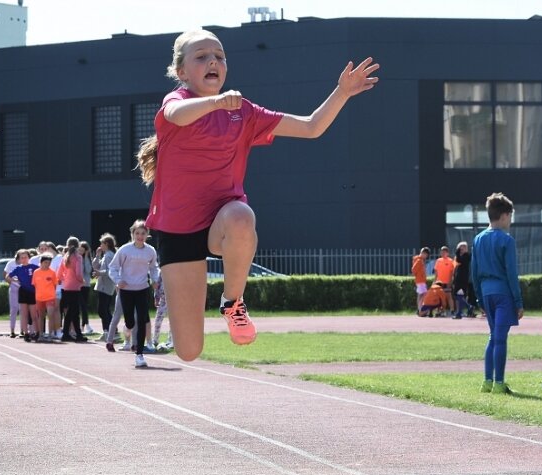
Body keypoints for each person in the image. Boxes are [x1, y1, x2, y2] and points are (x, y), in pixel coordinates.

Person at [136, 29, 379, 361]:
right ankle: (174, 293)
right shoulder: (177, 101)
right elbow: (176, 116)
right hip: (177, 228)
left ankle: (232, 302)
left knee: (241, 216)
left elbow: (310, 126)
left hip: (220, 220)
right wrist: (217, 102)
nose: (213, 61)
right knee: (189, 351)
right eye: (202, 56)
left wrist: (342, 92)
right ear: (181, 72)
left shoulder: (243, 112)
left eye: (219, 56)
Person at [471, 193, 524, 394]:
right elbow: (511, 273)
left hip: (486, 293)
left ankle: (487, 381)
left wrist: (478, 297)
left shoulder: (478, 239)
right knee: (501, 338)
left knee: (493, 337)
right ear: (503, 216)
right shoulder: (507, 240)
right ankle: (499, 383)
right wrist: (518, 301)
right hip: (502, 294)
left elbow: (474, 272)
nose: (510, 221)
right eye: (510, 216)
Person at [107, 220, 159, 368]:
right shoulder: (124, 250)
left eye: (143, 233)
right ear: (132, 234)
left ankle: (139, 354)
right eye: (137, 233)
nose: (140, 236)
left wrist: (155, 280)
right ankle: (127, 329)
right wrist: (118, 280)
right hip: (126, 290)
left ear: (147, 235)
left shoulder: (150, 251)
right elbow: (113, 268)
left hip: (142, 289)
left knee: (141, 320)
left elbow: (154, 268)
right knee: (130, 321)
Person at [57, 237, 87, 343]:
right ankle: (77, 334)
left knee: (70, 311)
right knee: (75, 311)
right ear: (78, 245)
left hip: (66, 286)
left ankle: (67, 333)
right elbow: (78, 272)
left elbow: (60, 272)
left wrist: (60, 280)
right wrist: (82, 280)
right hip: (74, 287)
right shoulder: (78, 257)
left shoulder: (65, 257)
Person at [7, 249, 39, 342]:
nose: (24, 259)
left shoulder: (34, 267)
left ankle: (36, 332)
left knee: (33, 314)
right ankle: (26, 333)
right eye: (22, 258)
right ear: (19, 259)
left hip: (32, 291)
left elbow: (40, 274)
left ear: (29, 258)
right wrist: (15, 281)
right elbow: (8, 276)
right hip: (23, 291)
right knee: (24, 313)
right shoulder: (18, 268)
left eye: (25, 257)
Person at [92, 233, 117, 342]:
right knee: (104, 310)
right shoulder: (105, 255)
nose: (100, 245)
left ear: (106, 244)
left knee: (103, 310)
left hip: (106, 286)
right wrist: (97, 255)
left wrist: (99, 273)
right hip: (103, 285)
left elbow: (111, 271)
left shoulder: (110, 255)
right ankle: (109, 331)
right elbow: (95, 266)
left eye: (101, 243)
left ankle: (110, 331)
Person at [32, 254, 58, 342]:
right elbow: (35, 284)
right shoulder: (36, 272)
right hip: (39, 297)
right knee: (41, 316)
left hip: (50, 297)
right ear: (41, 262)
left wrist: (50, 293)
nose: (47, 264)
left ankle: (50, 334)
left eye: (49, 263)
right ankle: (41, 334)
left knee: (50, 314)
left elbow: (54, 285)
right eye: (45, 262)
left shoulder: (52, 272)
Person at [451, 241, 474, 319]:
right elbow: (455, 267)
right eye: (460, 247)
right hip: (458, 277)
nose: (462, 249)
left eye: (464, 247)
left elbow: (460, 261)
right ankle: (459, 313)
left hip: (462, 278)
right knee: (459, 296)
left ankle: (468, 306)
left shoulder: (467, 255)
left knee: (458, 295)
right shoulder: (458, 257)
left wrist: (457, 253)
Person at [433, 245, 455, 315]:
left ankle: (452, 310)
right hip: (439, 283)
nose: (443, 253)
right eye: (442, 252)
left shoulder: (451, 261)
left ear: (447, 253)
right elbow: (436, 273)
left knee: (449, 296)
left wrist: (450, 281)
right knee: (439, 297)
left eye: (444, 252)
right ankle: (440, 311)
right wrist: (434, 281)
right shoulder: (438, 261)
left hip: (447, 282)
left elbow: (452, 272)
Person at [79, 241, 95, 335]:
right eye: (79, 249)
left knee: (84, 305)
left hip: (86, 285)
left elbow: (88, 270)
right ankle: (83, 326)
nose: (80, 251)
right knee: (80, 305)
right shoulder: (77, 258)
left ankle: (84, 326)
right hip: (78, 285)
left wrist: (85, 257)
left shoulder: (87, 259)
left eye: (82, 250)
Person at [411, 247, 430, 314]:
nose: (426, 256)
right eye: (426, 255)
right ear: (424, 253)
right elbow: (413, 270)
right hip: (420, 280)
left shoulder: (419, 260)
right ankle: (420, 310)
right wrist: (418, 275)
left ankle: (419, 310)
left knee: (420, 295)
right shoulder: (419, 260)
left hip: (420, 280)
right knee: (424, 294)